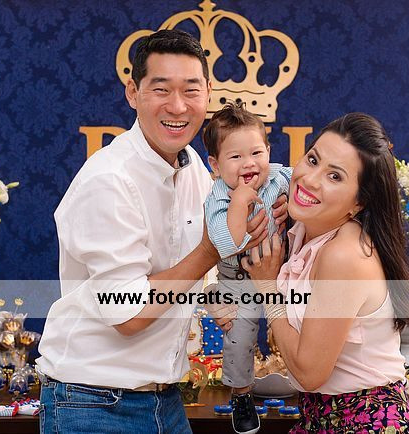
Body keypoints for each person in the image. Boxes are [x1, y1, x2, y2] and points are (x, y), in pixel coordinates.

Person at [36, 29, 286, 434]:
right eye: (161, 89)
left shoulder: (194, 167)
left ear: (208, 93)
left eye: (191, 90)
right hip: (94, 403)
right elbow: (129, 312)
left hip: (165, 400)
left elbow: (203, 254)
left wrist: (275, 214)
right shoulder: (109, 180)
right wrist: (212, 249)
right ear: (133, 93)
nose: (178, 106)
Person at [239, 113, 409, 433]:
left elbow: (309, 373)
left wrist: (267, 288)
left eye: (334, 176)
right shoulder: (307, 230)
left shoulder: (343, 255)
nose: (310, 179)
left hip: (365, 421)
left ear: (358, 203)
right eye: (312, 160)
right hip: (321, 416)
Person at [202, 101, 292, 434]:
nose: (249, 163)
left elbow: (314, 190)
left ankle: (312, 385)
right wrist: (239, 202)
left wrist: (294, 206)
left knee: (300, 326)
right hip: (237, 279)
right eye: (235, 157)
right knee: (238, 340)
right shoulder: (218, 197)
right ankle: (241, 395)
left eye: (256, 153)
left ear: (268, 151)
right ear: (215, 165)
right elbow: (226, 242)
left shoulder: (278, 177)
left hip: (281, 275)